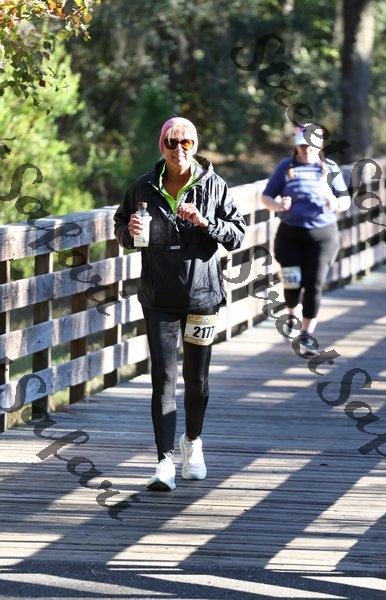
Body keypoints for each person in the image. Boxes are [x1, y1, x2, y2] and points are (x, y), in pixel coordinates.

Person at [114, 116, 246, 491]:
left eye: (186, 142)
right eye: (171, 142)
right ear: (162, 146)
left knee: (196, 379)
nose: (179, 149)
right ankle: (164, 462)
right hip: (159, 298)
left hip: (202, 298)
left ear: (195, 145)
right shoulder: (144, 186)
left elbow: (237, 235)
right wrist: (129, 233)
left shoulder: (215, 186)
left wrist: (206, 223)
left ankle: (193, 443)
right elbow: (121, 225)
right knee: (163, 378)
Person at [261, 123, 351, 355]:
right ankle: (292, 314)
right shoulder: (286, 166)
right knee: (292, 282)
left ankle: (306, 334)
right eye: (302, 145)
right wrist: (278, 205)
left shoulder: (330, 168)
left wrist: (336, 203)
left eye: (311, 145)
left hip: (322, 236)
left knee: (314, 283)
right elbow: (266, 196)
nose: (306, 149)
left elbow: (346, 200)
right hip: (290, 235)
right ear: (297, 146)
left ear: (319, 146)